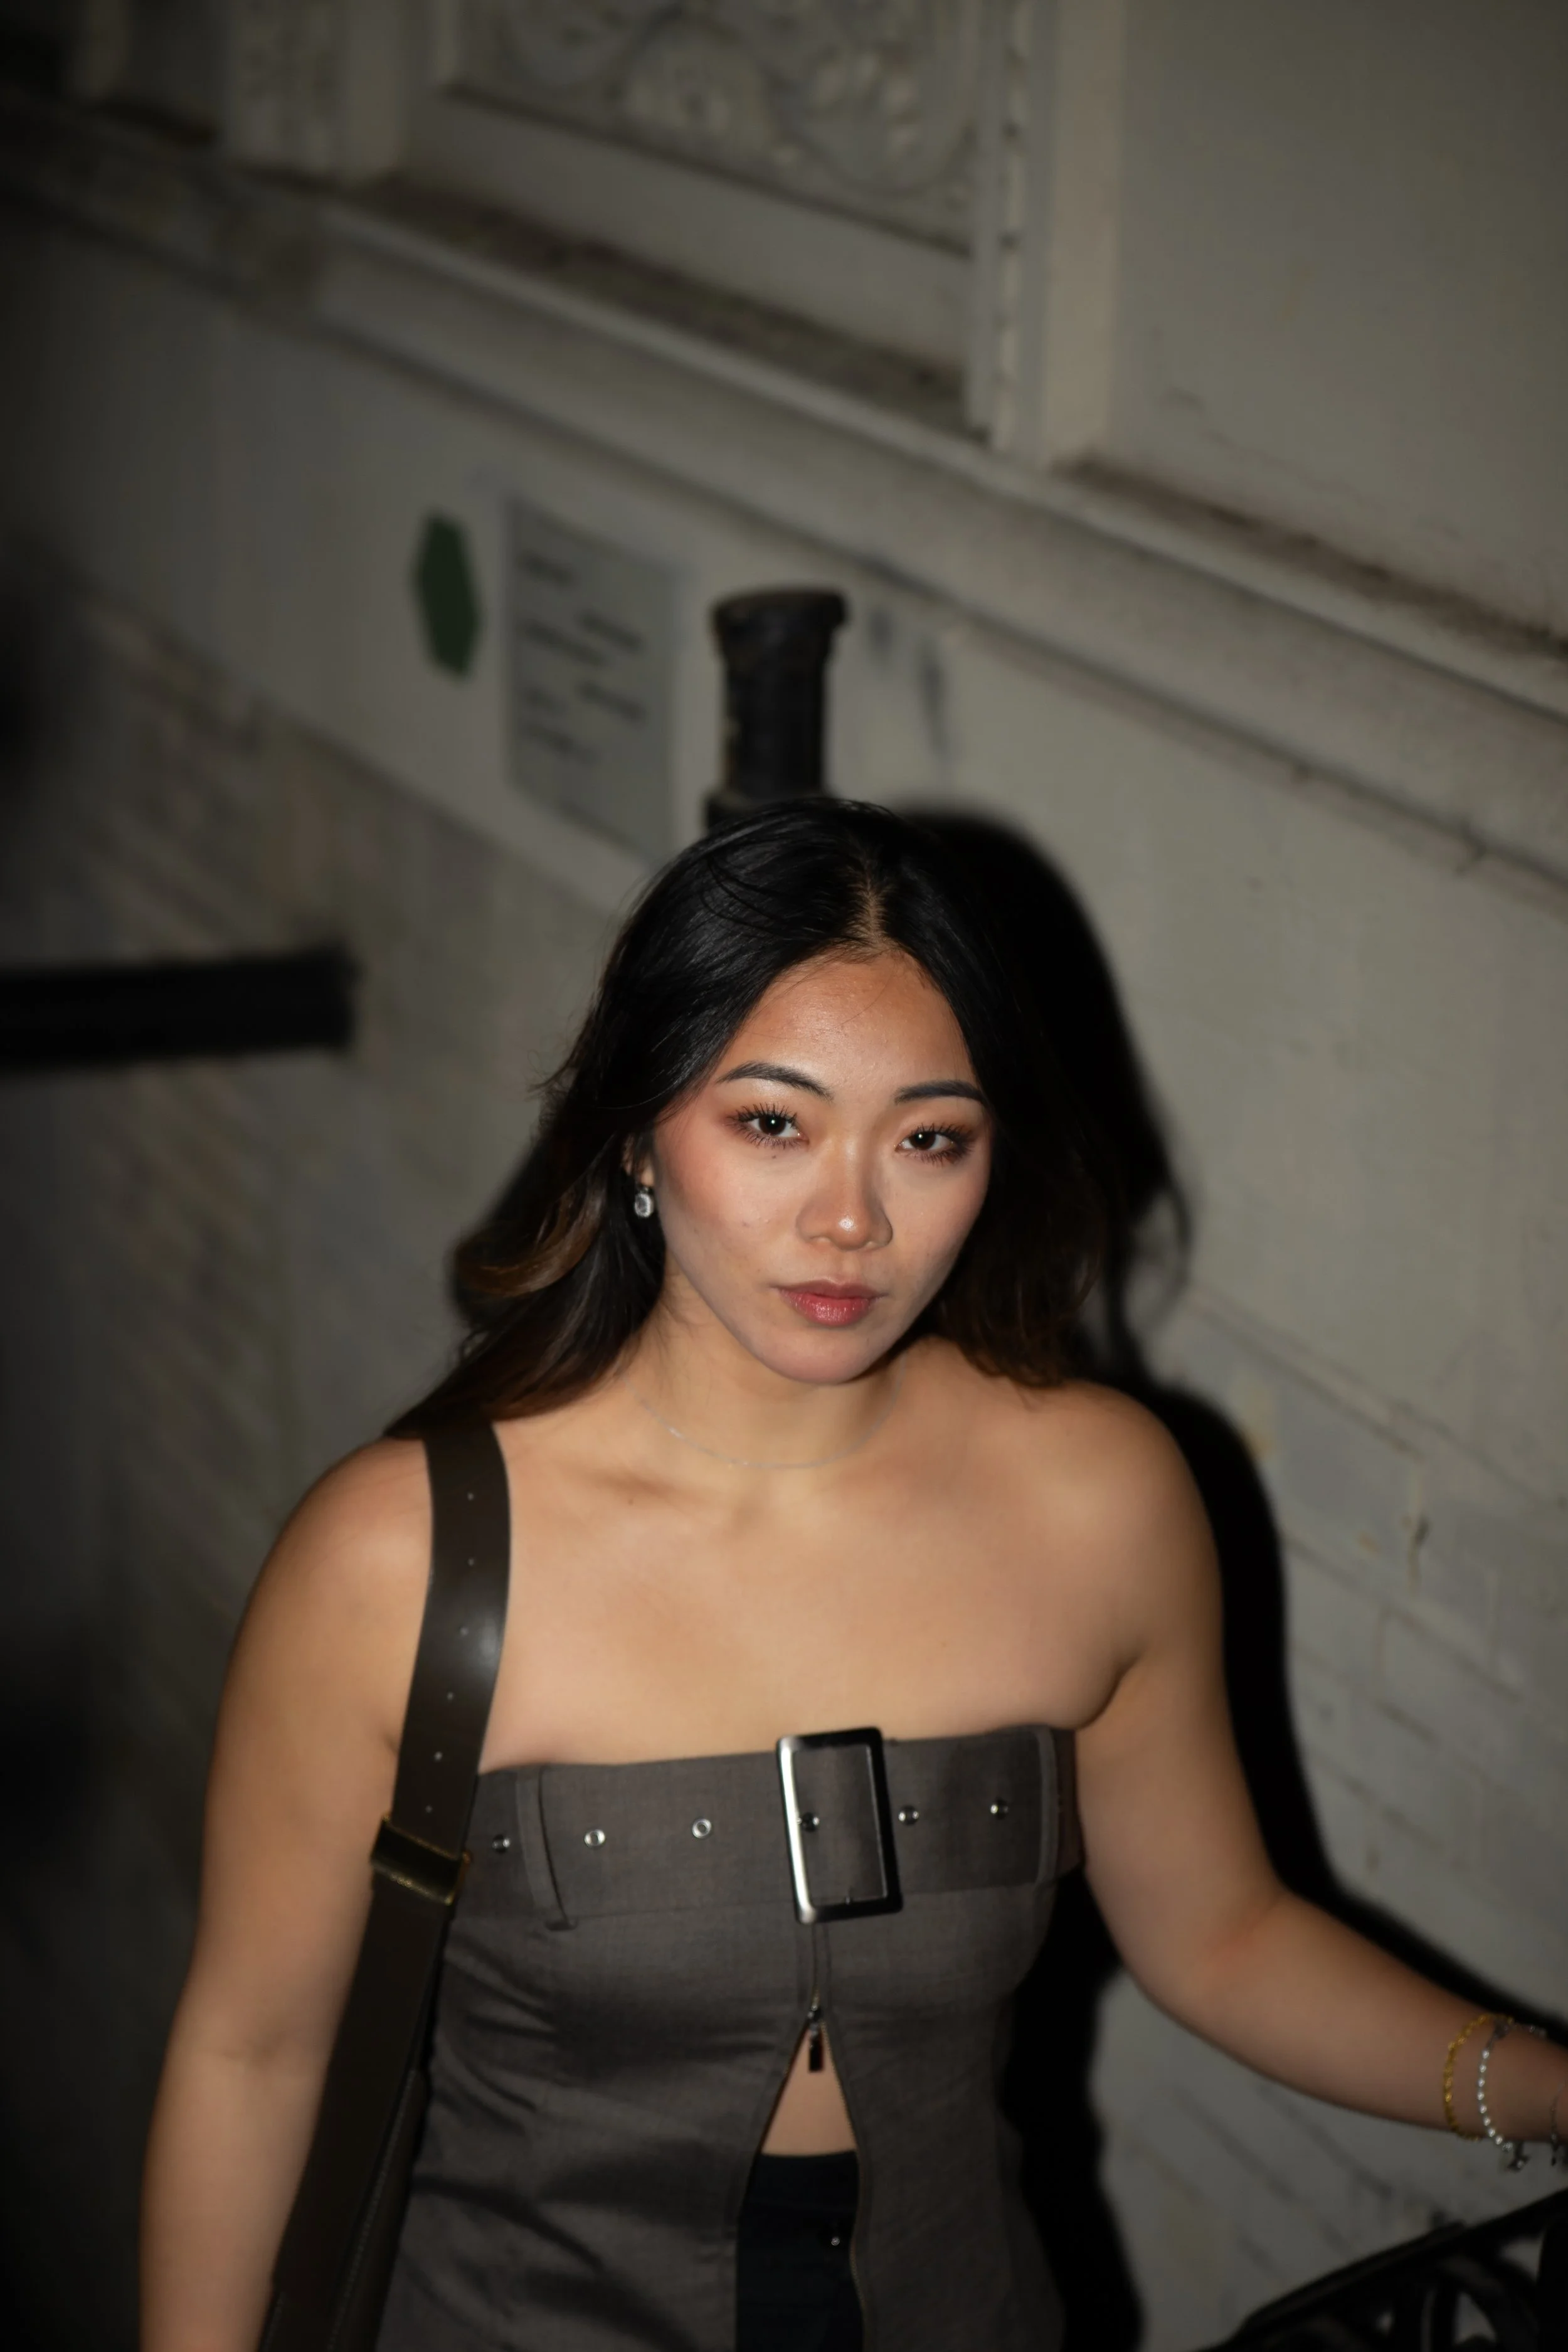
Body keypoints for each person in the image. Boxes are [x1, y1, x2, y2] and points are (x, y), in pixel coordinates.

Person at [142, 801, 1567, 2352]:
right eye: (773, 1124)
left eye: (927, 1139)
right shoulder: (399, 1561)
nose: (849, 1219)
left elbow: (1223, 1939)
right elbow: (254, 2054)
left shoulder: (1095, 1503)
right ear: (636, 1132)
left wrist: (1543, 2090)